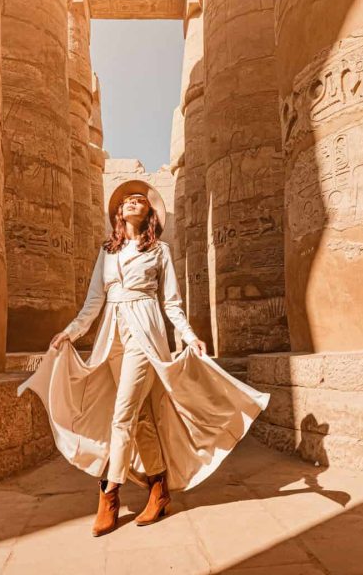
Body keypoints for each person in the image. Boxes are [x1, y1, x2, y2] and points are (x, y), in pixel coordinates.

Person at [17, 179, 270, 537]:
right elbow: (93, 303)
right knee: (142, 418)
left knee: (121, 415)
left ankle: (109, 493)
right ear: (119, 213)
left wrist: (189, 335)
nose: (134, 202)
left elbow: (171, 303)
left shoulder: (160, 251)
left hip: (145, 333)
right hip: (112, 335)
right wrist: (70, 332)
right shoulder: (107, 252)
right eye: (127, 201)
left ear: (149, 212)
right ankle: (159, 489)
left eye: (140, 200)